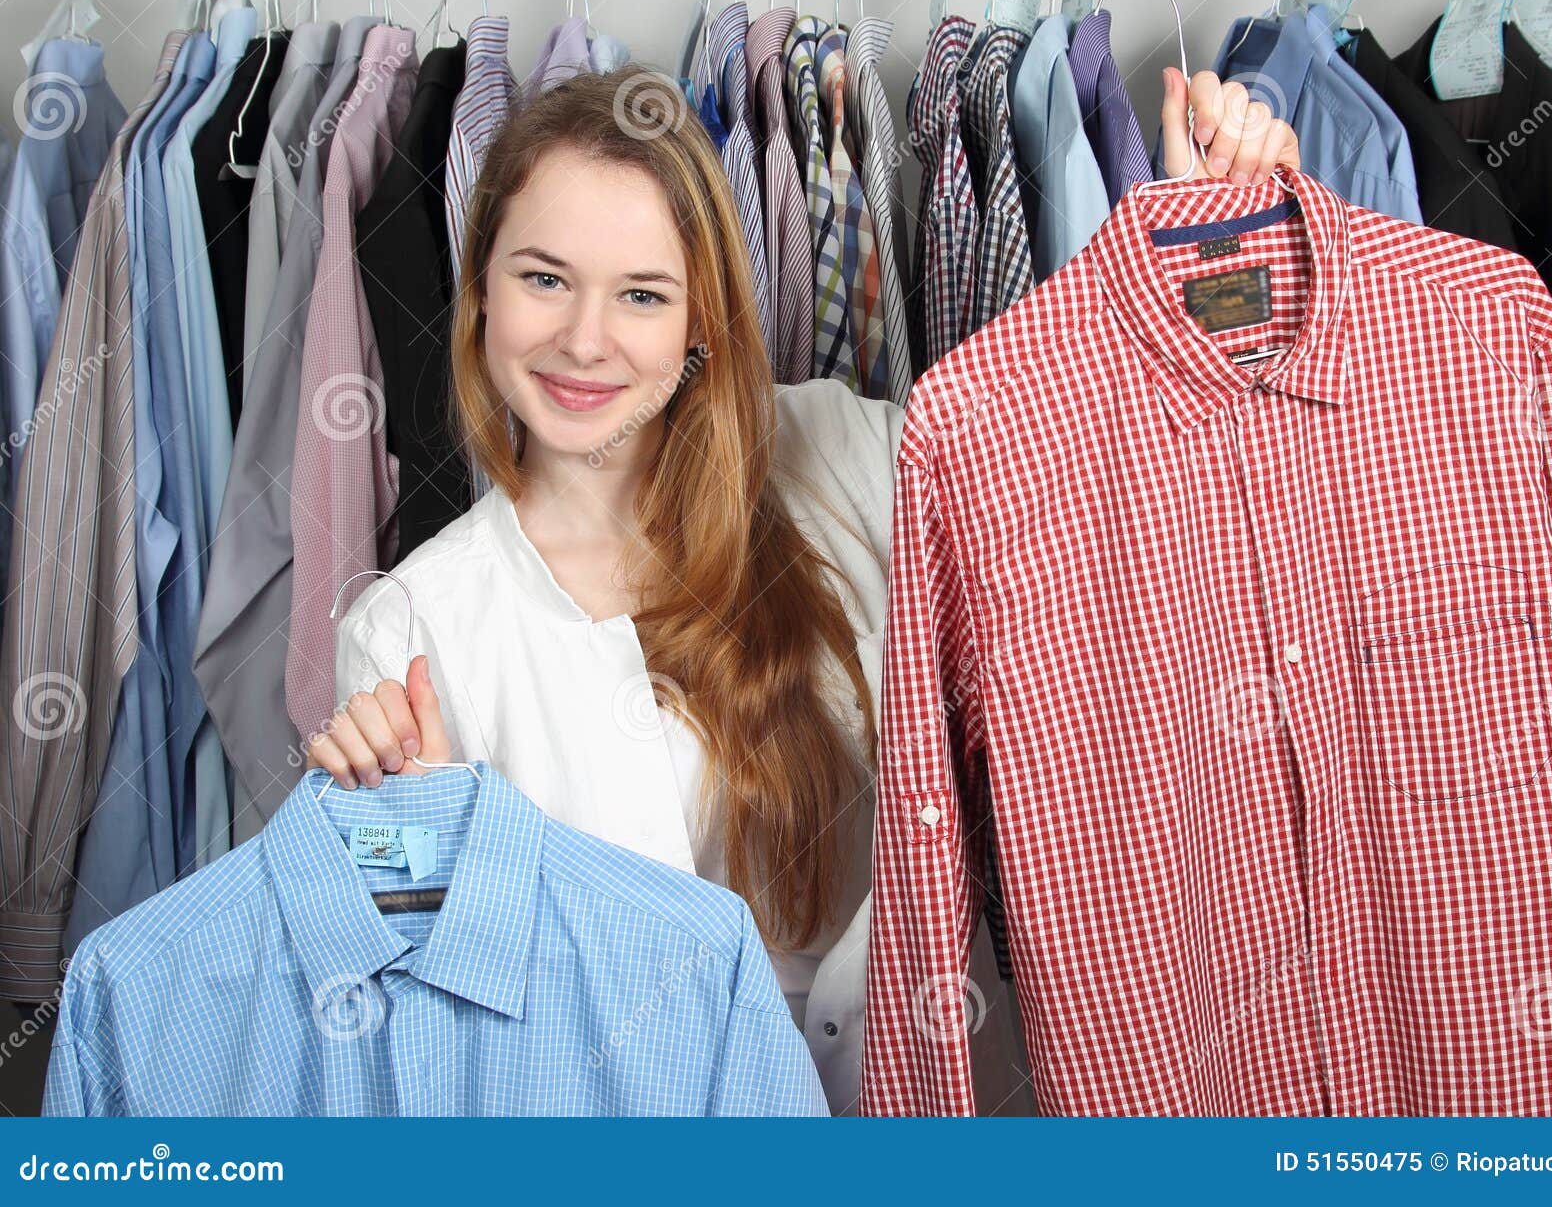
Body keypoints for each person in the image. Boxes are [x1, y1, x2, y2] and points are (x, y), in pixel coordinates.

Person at [307, 62, 1302, 1113]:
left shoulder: (850, 455)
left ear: (701, 320)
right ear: (478, 288)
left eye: (641, 293)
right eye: (543, 279)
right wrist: (426, 853)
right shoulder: (410, 628)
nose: (584, 340)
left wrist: (1224, 238)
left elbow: (1131, 476)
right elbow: (423, 1043)